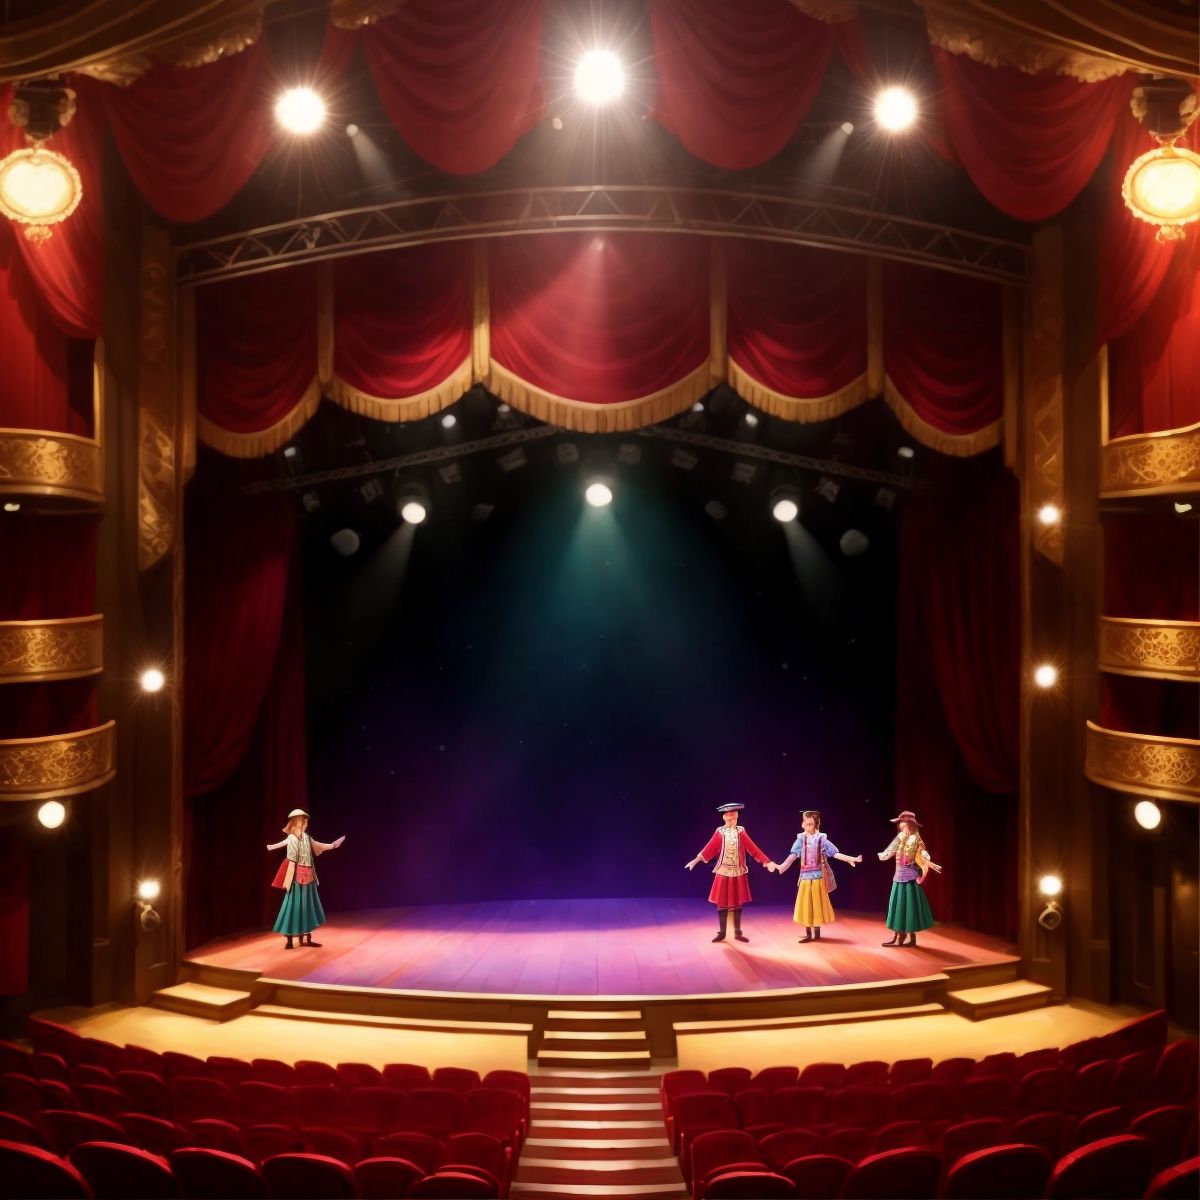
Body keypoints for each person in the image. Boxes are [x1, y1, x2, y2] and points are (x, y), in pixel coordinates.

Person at [686, 803, 778, 943]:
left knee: (737, 902)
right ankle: (722, 932)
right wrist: (695, 860)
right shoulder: (720, 832)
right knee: (722, 902)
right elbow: (709, 848)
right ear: (724, 818)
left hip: (738, 871)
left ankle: (737, 932)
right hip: (723, 871)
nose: (731, 822)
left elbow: (753, 849)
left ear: (737, 818)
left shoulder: (741, 832)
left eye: (733, 819)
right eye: (728, 819)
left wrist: (767, 862)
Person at [770, 809, 863, 942]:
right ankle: (808, 933)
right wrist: (781, 867)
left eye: (811, 824)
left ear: (816, 824)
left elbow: (834, 853)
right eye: (806, 823)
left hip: (818, 877)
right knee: (806, 905)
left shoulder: (821, 839)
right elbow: (793, 856)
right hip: (805, 878)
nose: (808, 826)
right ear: (803, 824)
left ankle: (817, 932)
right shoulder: (801, 840)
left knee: (817, 905)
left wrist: (850, 858)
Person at [267, 808, 345, 950]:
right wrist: (271, 847)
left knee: (307, 905)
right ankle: (290, 937)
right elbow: (284, 849)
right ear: (293, 823)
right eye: (300, 821)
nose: (303, 824)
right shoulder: (291, 838)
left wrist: (332, 845)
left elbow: (318, 846)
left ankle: (306, 936)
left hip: (309, 875)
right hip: (296, 876)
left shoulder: (307, 838)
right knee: (293, 905)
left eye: (304, 821)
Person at [877, 809, 941, 947]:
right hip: (898, 876)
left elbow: (922, 851)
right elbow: (891, 849)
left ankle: (911, 938)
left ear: (907, 823)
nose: (899, 825)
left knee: (909, 908)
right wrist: (883, 854)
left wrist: (925, 857)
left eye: (901, 822)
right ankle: (898, 935)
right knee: (898, 907)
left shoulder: (917, 838)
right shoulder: (900, 836)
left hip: (910, 877)